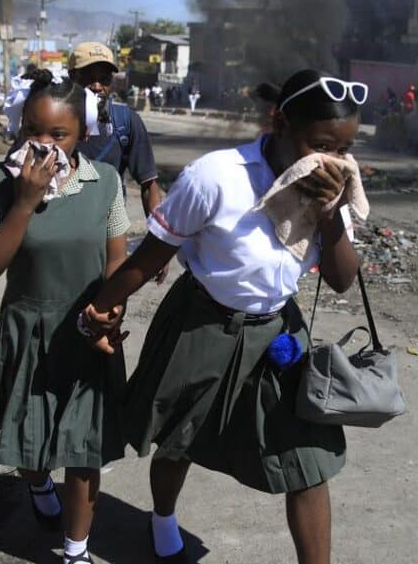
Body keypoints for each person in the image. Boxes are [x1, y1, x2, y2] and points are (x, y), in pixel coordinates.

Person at [80, 68, 366, 564]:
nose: (332, 161)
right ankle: (163, 515)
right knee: (177, 440)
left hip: (278, 331)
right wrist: (103, 306)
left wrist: (331, 215)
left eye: (343, 149)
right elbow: (151, 257)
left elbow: (342, 279)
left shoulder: (330, 191)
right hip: (203, 324)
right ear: (280, 123)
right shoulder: (216, 177)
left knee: (309, 461)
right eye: (320, 145)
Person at [0, 70, 129, 564]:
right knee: (31, 446)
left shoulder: (105, 182)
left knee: (82, 452)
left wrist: (110, 313)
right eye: (32, 132)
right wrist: (27, 201)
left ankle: (75, 550)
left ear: (81, 135)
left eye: (58, 135)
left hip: (87, 332)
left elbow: (116, 260)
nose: (43, 145)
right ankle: (37, 487)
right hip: (28, 328)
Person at [69, 41, 167, 284]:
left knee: (105, 306)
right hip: (61, 230)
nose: (97, 86)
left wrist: (159, 247)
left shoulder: (126, 121)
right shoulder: (52, 119)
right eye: (88, 78)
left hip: (108, 234)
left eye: (104, 79)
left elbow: (149, 185)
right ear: (72, 77)